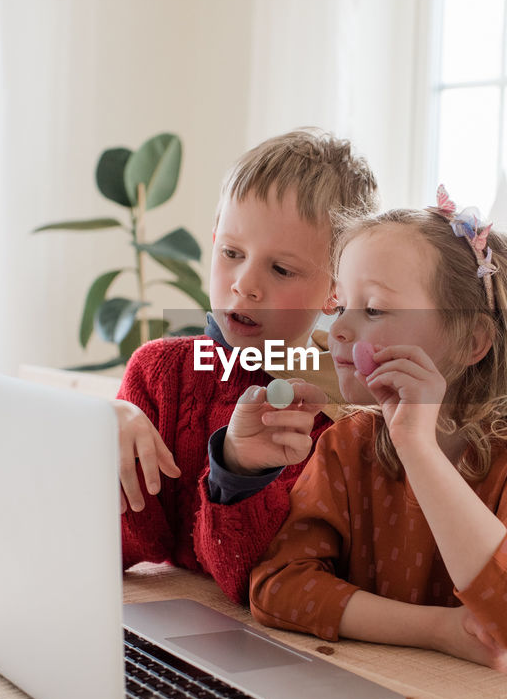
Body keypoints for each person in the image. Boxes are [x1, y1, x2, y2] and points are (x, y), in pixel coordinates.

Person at [249, 188, 507, 684]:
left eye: (376, 310)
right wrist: (437, 631)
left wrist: (418, 448)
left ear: (471, 341)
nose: (337, 329)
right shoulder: (346, 446)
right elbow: (277, 588)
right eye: (341, 304)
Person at [113, 128, 378, 603]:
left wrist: (237, 470)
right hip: (160, 617)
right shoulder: (158, 371)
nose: (245, 285)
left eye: (281, 269)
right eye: (231, 253)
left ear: (336, 289)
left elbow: (253, 580)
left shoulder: (329, 411)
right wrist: (94, 448)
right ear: (213, 241)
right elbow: (127, 546)